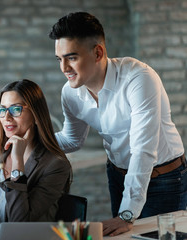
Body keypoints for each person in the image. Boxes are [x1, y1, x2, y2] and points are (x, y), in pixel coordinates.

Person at [48, 12, 186, 236]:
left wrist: (127, 214)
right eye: (59, 59)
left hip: (163, 179)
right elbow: (72, 139)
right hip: (118, 176)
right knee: (121, 237)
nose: (64, 68)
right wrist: (29, 143)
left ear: (98, 53)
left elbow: (142, 150)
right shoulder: (70, 92)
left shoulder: (139, 79)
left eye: (71, 57)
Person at [0, 79, 72, 222]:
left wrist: (17, 162)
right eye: (2, 110)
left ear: (36, 115)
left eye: (15, 109)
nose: (6, 117)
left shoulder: (55, 166)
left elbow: (20, 221)